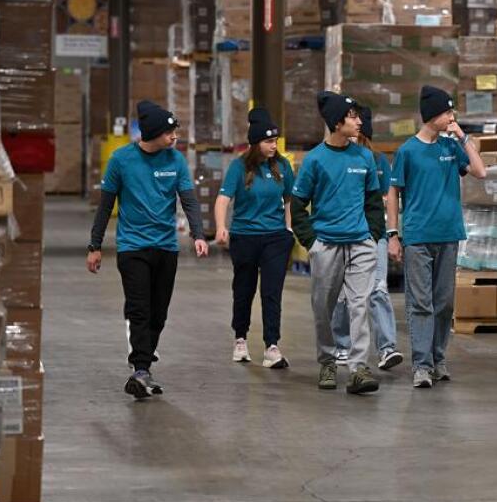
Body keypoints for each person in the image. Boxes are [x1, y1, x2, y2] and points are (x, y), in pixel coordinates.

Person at [87, 100, 209, 399]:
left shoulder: (175, 160)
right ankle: (141, 368)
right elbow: (105, 206)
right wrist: (95, 245)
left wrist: (198, 234)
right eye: (169, 132)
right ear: (153, 133)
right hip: (133, 247)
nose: (174, 137)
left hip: (166, 246)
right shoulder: (121, 160)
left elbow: (189, 200)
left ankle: (143, 363)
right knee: (139, 309)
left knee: (159, 314)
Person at [387, 85, 487, 389]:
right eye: (447, 112)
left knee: (444, 303)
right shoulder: (407, 151)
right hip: (418, 237)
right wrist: (393, 234)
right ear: (432, 115)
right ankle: (422, 364)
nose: (452, 117)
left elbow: (480, 171)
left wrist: (463, 137)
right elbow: (393, 192)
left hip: (448, 235)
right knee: (421, 303)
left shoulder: (451, 147)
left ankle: (438, 358)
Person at [291, 91, 385, 394]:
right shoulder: (315, 160)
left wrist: (373, 236)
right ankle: (327, 361)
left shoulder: (364, 157)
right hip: (326, 245)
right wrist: (312, 243)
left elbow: (373, 201)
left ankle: (358, 368)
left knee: (360, 305)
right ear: (336, 122)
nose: (359, 122)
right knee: (323, 307)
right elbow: (297, 205)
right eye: (352, 116)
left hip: (360, 244)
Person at [215, 108, 295, 369]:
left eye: (275, 141)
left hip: (275, 238)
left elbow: (290, 199)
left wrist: (289, 229)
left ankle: (272, 346)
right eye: (268, 141)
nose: (274, 146)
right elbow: (223, 199)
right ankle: (240, 338)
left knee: (272, 292)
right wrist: (221, 227)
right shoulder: (238, 167)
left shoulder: (282, 166)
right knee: (244, 289)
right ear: (256, 142)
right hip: (245, 237)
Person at [330, 106, 404, 371]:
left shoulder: (378, 161)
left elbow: (387, 198)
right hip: (345, 233)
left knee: (378, 289)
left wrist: (390, 234)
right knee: (342, 293)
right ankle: (342, 345)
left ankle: (387, 348)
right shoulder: (337, 158)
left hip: (374, 233)